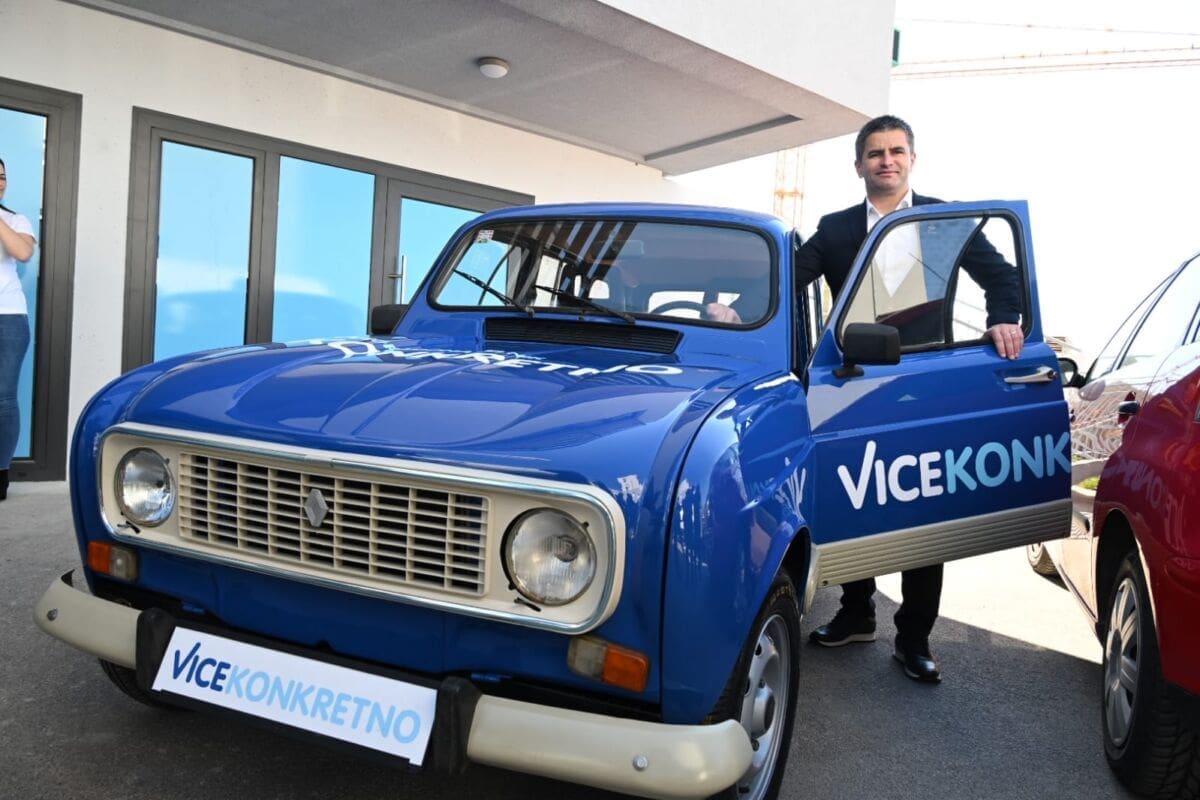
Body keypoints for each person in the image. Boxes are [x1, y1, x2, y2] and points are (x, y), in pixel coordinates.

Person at [709, 115, 1025, 683]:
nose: (886, 160)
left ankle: (915, 638)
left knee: (924, 513)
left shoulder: (943, 221)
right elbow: (788, 279)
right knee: (852, 502)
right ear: (859, 165)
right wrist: (736, 308)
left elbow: (1004, 280)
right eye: (875, 153)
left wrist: (1003, 320)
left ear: (912, 160)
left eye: (896, 151)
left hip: (925, 386)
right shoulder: (834, 229)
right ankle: (856, 614)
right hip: (852, 385)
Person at [0, 158, 37, 501]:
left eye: (2, 177)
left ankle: (0, 473)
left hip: (8, 318)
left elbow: (23, 252)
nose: (0, 183)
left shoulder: (15, 220)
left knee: (4, 398)